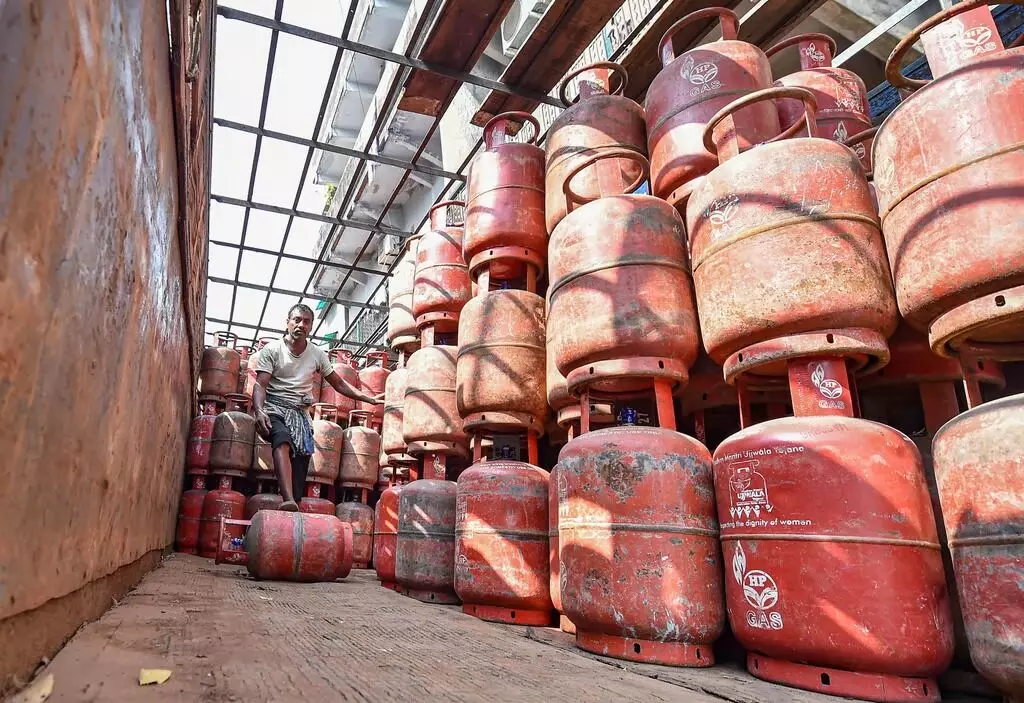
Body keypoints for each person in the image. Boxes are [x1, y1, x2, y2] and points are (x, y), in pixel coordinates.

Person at [251, 304, 382, 511]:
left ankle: (294, 502)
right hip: (273, 408)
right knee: (282, 439)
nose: (301, 325)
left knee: (303, 456)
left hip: (299, 413)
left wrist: (366, 397)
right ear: (287, 322)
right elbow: (260, 385)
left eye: (306, 321)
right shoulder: (272, 350)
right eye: (297, 320)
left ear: (311, 326)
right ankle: (287, 499)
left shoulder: (317, 354)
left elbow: (338, 383)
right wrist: (259, 410)